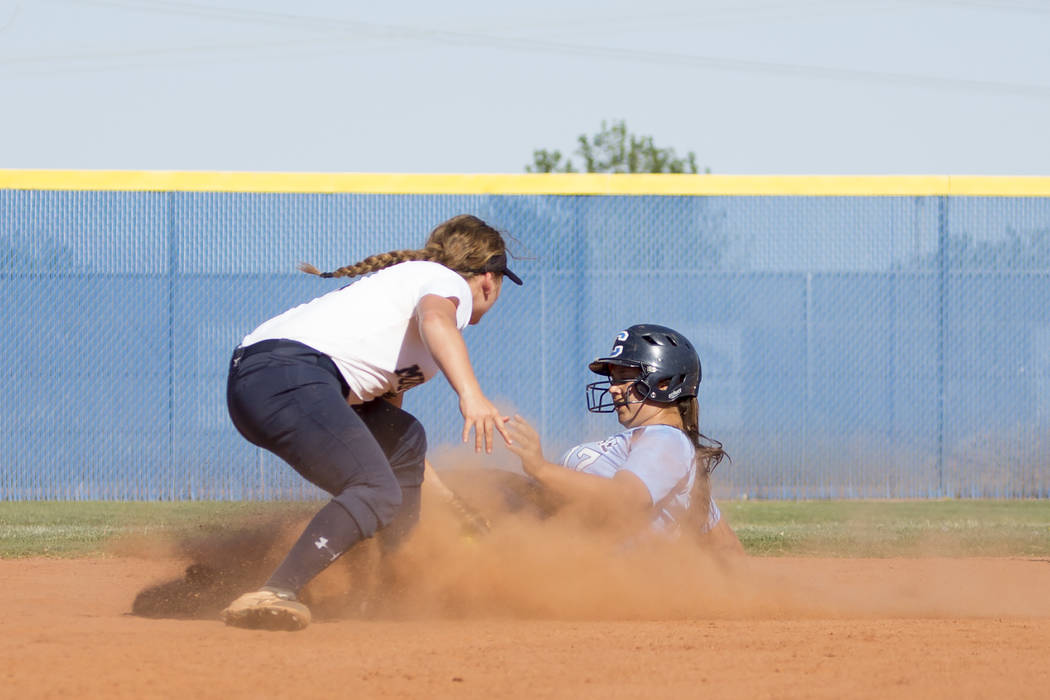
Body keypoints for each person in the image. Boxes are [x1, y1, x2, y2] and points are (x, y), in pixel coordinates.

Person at [221, 214, 522, 631]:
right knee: (376, 491)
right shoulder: (445, 281)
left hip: (271, 382)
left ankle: (392, 591)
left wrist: (452, 507)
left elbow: (392, 452)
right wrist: (471, 395)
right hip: (286, 377)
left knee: (405, 440)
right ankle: (276, 591)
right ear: (488, 278)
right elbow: (436, 319)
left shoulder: (404, 306)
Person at [505, 324, 742, 552]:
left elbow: (626, 501)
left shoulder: (668, 440)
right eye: (613, 379)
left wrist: (541, 469)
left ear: (663, 382)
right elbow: (726, 547)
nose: (612, 389)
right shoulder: (661, 451)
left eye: (623, 378)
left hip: (596, 573)